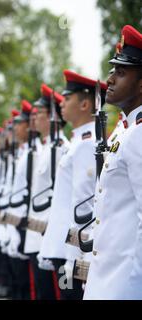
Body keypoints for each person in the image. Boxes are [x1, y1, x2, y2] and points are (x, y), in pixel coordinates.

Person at [84, 25, 142, 299]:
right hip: (107, 276)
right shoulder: (125, 129)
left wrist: (134, 285)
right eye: (112, 70)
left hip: (125, 283)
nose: (110, 79)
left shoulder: (139, 134)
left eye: (121, 72)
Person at [39, 69, 107, 300]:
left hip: (72, 247)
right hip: (64, 242)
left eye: (67, 99)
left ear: (85, 104)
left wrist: (77, 255)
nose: (62, 104)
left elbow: (84, 205)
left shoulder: (87, 145)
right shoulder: (79, 141)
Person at [24, 84, 68, 300]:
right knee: (42, 291)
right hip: (37, 229)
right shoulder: (45, 148)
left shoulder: (61, 148)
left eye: (39, 114)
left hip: (49, 230)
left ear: (54, 117)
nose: (34, 119)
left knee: (54, 292)